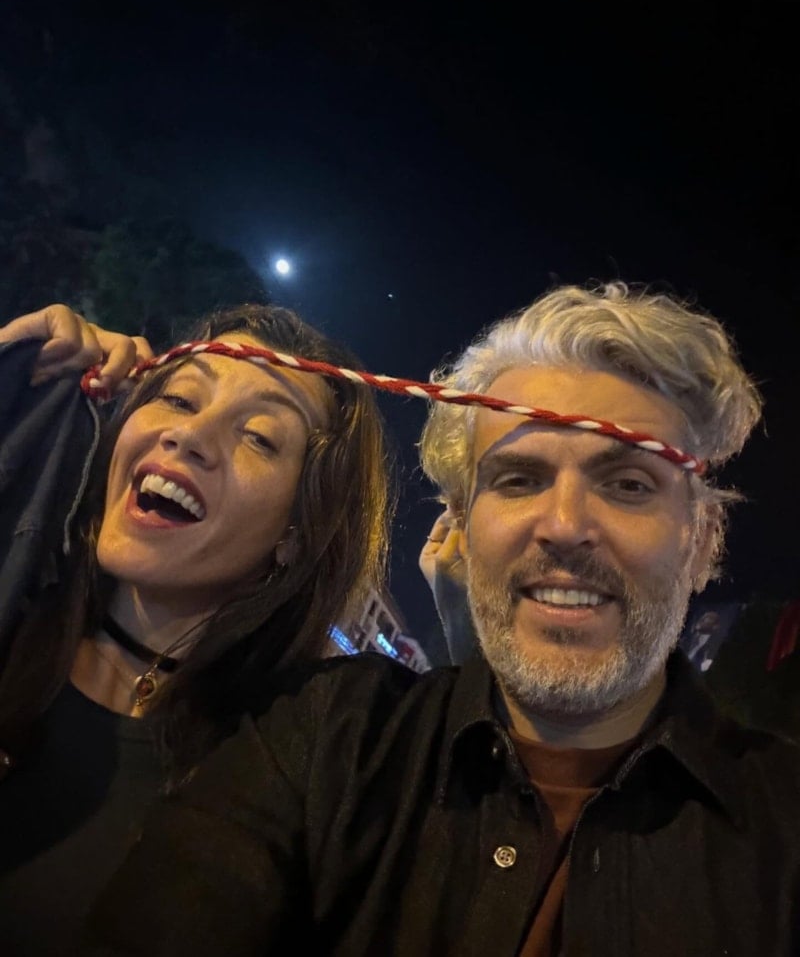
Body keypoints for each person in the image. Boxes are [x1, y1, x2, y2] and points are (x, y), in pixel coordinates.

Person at [86, 282, 800, 956]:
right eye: (519, 479)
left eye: (629, 484)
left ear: (703, 540)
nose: (564, 525)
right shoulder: (323, 738)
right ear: (461, 525)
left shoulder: (784, 822)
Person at [0, 301, 391, 955]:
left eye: (258, 436)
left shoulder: (288, 775)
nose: (189, 435)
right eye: (179, 399)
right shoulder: (12, 615)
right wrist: (13, 378)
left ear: (297, 532)